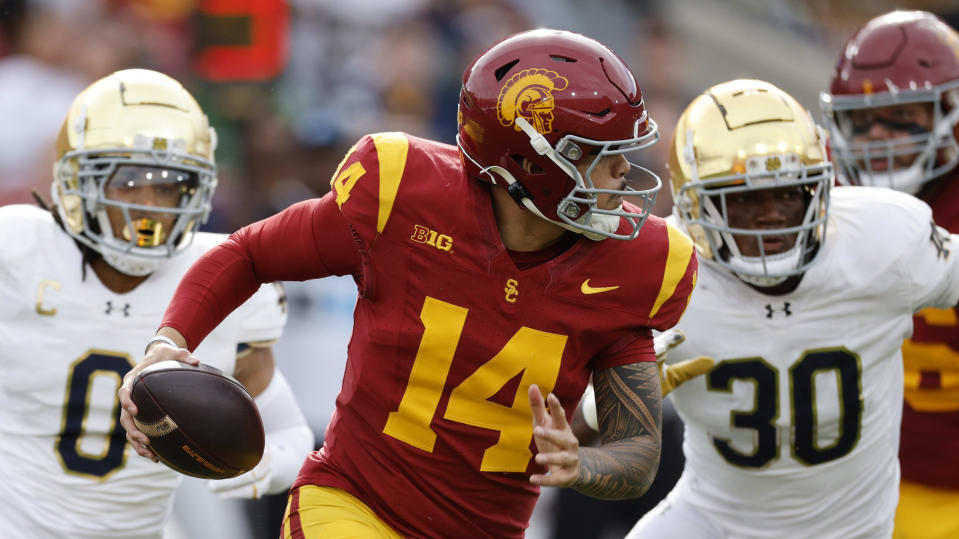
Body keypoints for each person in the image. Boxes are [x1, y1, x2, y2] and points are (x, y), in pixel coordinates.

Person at [117, 29, 699, 538]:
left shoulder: (634, 266)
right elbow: (248, 253)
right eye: (602, 154)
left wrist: (582, 464)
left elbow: (638, 450)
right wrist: (169, 343)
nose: (624, 174)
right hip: (352, 505)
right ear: (532, 162)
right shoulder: (403, 196)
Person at [621, 78, 959, 538]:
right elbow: (576, 423)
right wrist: (609, 404)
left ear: (819, 189)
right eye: (743, 197)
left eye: (788, 191)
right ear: (694, 205)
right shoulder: (654, 271)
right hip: (710, 522)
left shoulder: (884, 241)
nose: (771, 215)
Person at [0, 68, 313, 538]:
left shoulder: (224, 274)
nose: (147, 204)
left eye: (167, 184)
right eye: (127, 181)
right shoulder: (18, 248)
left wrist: (251, 467)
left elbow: (291, 437)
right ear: (79, 181)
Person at [819, 10, 959, 539]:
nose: (877, 135)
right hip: (855, 476)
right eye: (862, 118)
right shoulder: (816, 187)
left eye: (901, 116)